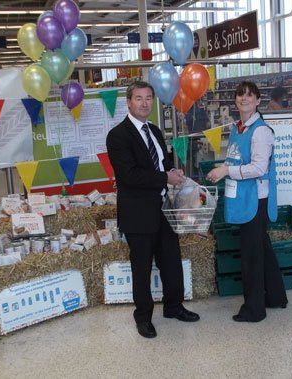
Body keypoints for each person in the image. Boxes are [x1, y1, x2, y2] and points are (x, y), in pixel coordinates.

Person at [106, 81, 200, 338]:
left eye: (148, 98)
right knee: (142, 268)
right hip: (138, 214)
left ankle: (174, 306)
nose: (144, 103)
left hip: (164, 209)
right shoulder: (118, 136)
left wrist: (173, 173)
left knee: (171, 261)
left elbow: (163, 163)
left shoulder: (155, 131)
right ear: (128, 102)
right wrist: (163, 178)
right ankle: (144, 317)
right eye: (139, 98)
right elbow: (129, 176)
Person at [206, 81, 288, 322]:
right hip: (243, 196)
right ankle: (275, 296)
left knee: (251, 257)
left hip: (255, 198)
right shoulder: (238, 127)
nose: (244, 99)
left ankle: (254, 310)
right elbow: (236, 159)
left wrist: (226, 172)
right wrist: (222, 167)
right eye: (240, 95)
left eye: (250, 96)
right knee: (262, 248)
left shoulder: (261, 131)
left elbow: (259, 168)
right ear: (235, 101)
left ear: (258, 100)